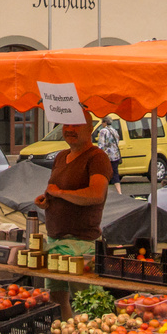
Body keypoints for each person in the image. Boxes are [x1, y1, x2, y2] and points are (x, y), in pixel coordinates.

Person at [35, 122, 111, 311]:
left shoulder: (97, 157)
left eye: (76, 125)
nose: (70, 129)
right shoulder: (61, 156)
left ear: (90, 128)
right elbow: (54, 189)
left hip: (82, 244)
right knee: (56, 298)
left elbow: (96, 194)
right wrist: (47, 200)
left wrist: (60, 193)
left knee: (87, 302)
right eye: (66, 125)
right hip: (55, 241)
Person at [94, 119, 123, 194]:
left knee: (104, 173)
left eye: (102, 122)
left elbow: (101, 144)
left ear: (105, 122)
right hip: (115, 155)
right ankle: (119, 192)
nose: (102, 124)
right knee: (115, 173)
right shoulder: (114, 131)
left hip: (107, 156)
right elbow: (117, 141)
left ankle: (103, 191)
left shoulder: (103, 131)